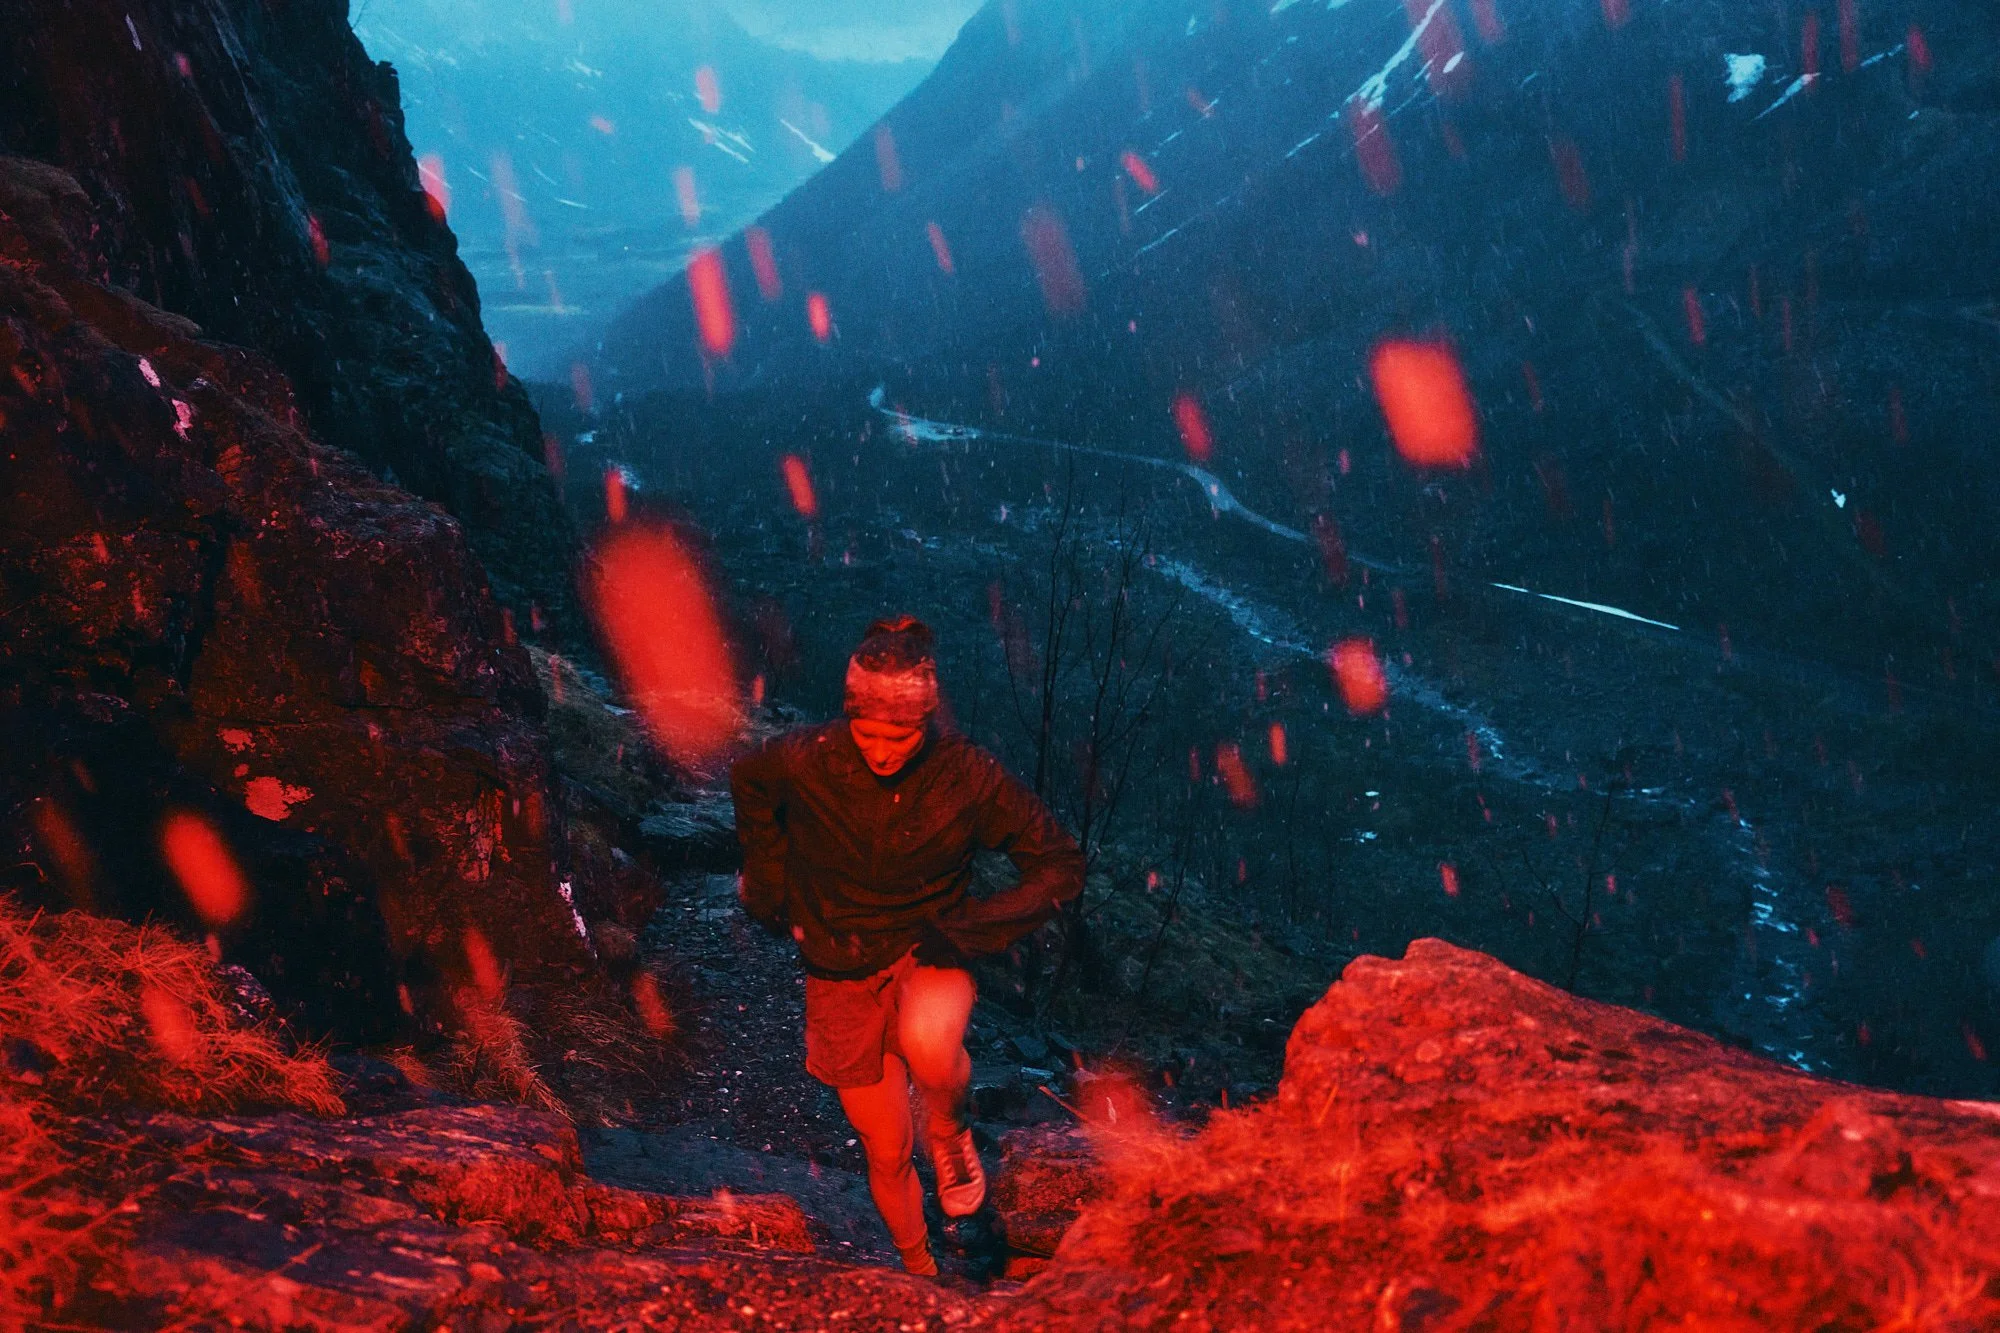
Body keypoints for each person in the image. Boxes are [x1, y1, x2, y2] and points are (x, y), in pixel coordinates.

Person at [729, 615, 1084, 1276]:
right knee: (886, 1148)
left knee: (928, 1038)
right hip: (837, 965)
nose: (883, 750)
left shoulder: (965, 775)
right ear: (849, 717)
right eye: (869, 731)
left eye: (901, 734)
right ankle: (918, 1267)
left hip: (930, 950)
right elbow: (750, 779)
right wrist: (769, 883)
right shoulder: (813, 757)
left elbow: (1061, 864)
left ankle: (949, 1130)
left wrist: (967, 930)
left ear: (926, 723)